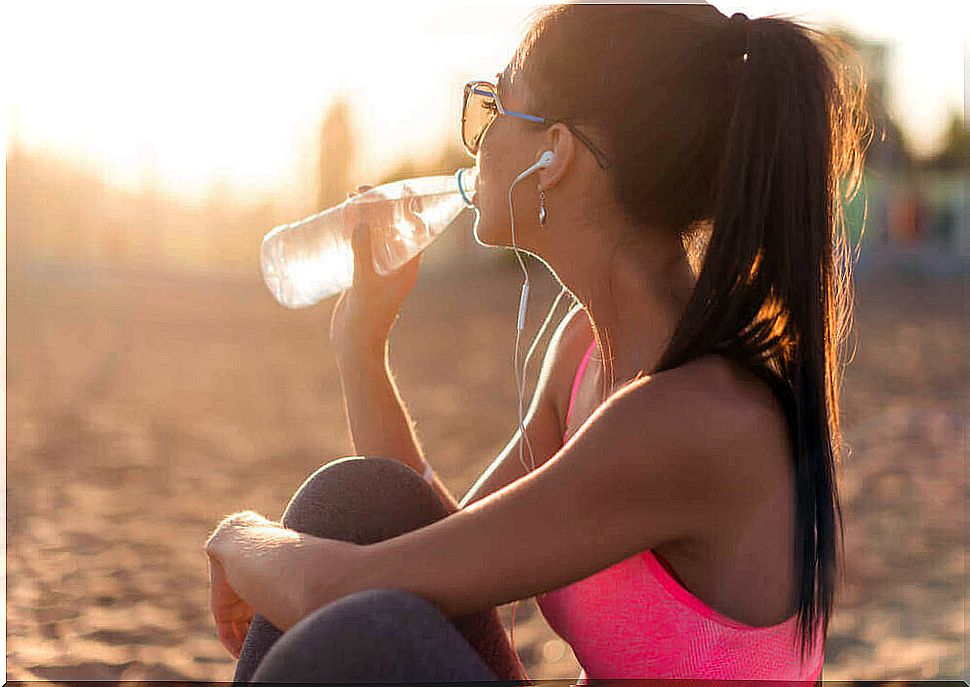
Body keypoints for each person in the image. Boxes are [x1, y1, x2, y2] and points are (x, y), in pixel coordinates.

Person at [205, 3, 871, 683]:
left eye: (495, 105)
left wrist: (236, 537)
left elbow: (340, 593)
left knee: (364, 633)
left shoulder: (694, 418)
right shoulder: (585, 349)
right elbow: (430, 550)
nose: (478, 138)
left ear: (555, 154)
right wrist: (360, 343)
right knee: (357, 499)